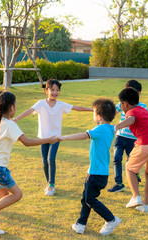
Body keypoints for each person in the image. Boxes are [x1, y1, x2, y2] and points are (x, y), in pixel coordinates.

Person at [0, 90, 60, 236]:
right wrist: (48, 139)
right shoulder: (9, 124)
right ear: (11, 108)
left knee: (3, 197)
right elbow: (27, 142)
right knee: (17, 194)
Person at [13, 79, 92, 196]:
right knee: (44, 161)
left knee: (51, 158)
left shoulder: (61, 105)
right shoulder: (40, 103)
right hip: (43, 137)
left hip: (56, 138)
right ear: (46, 91)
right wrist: (16, 119)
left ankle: (51, 185)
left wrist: (93, 109)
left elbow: (77, 108)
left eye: (57, 90)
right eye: (52, 90)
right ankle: (48, 183)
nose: (55, 92)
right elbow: (30, 111)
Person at [59, 98, 121, 236]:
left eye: (93, 113)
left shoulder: (99, 129)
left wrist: (63, 137)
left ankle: (111, 219)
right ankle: (80, 224)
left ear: (99, 117)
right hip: (101, 172)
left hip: (96, 173)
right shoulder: (111, 128)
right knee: (86, 197)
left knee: (89, 199)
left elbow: (83, 135)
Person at [115, 88, 148, 213]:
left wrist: (117, 126)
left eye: (121, 104)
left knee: (129, 168)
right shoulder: (143, 110)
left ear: (125, 104)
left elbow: (131, 119)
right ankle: (145, 206)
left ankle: (135, 197)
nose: (121, 107)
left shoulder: (131, 112)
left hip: (146, 144)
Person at [108, 80, 148, 193]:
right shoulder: (122, 103)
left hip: (133, 139)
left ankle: (135, 175)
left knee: (132, 160)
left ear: (138, 93)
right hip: (120, 136)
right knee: (117, 158)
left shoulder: (143, 107)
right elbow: (112, 113)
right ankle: (119, 183)